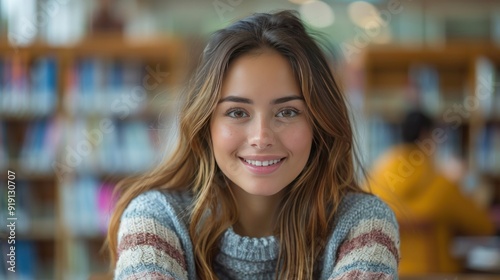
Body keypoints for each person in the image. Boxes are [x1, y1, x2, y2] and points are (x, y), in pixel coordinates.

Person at [107, 10, 399, 280]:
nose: (261, 136)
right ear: (206, 124)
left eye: (287, 112)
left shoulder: (364, 223)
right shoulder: (155, 220)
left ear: (319, 124)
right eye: (237, 112)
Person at [367, 110, 495, 275]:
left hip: (386, 273)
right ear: (426, 135)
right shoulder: (441, 184)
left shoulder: (374, 178)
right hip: (434, 273)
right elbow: (483, 226)